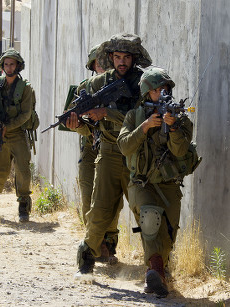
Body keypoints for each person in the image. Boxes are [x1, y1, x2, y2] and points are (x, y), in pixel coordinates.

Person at [65, 33, 152, 277]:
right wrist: (77, 123)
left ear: (134, 59)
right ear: (110, 58)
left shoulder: (144, 84)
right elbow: (87, 126)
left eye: (126, 57)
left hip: (136, 155)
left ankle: (156, 267)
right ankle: (87, 256)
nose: (121, 62)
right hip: (109, 153)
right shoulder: (96, 85)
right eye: (117, 57)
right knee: (100, 211)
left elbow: (143, 119)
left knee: (146, 213)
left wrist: (107, 113)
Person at [117, 67, 194, 297]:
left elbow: (180, 152)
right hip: (141, 184)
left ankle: (159, 269)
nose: (162, 93)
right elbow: (124, 146)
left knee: (168, 236)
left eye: (165, 89)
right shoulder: (134, 116)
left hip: (169, 184)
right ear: (146, 93)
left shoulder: (180, 119)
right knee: (150, 220)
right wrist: (146, 126)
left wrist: (172, 127)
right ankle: (154, 272)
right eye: (157, 90)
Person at [0, 48, 36, 222]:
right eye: (6, 64)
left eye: (12, 64)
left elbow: (26, 114)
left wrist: (9, 126)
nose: (9, 67)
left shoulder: (25, 88)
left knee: (22, 171)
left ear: (18, 66)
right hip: (0, 134)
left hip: (18, 133)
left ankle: (23, 206)